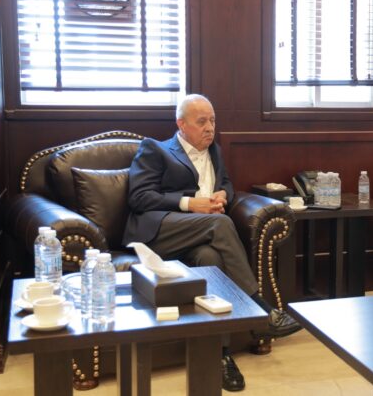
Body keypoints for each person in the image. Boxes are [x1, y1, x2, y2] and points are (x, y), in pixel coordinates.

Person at [124, 94, 301, 392]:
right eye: (202, 122)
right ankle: (260, 307)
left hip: (200, 235)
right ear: (181, 124)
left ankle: (220, 355)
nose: (210, 127)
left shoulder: (215, 151)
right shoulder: (155, 149)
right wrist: (189, 203)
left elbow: (227, 184)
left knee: (210, 260)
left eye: (213, 120)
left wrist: (223, 195)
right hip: (159, 231)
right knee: (220, 224)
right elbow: (138, 197)